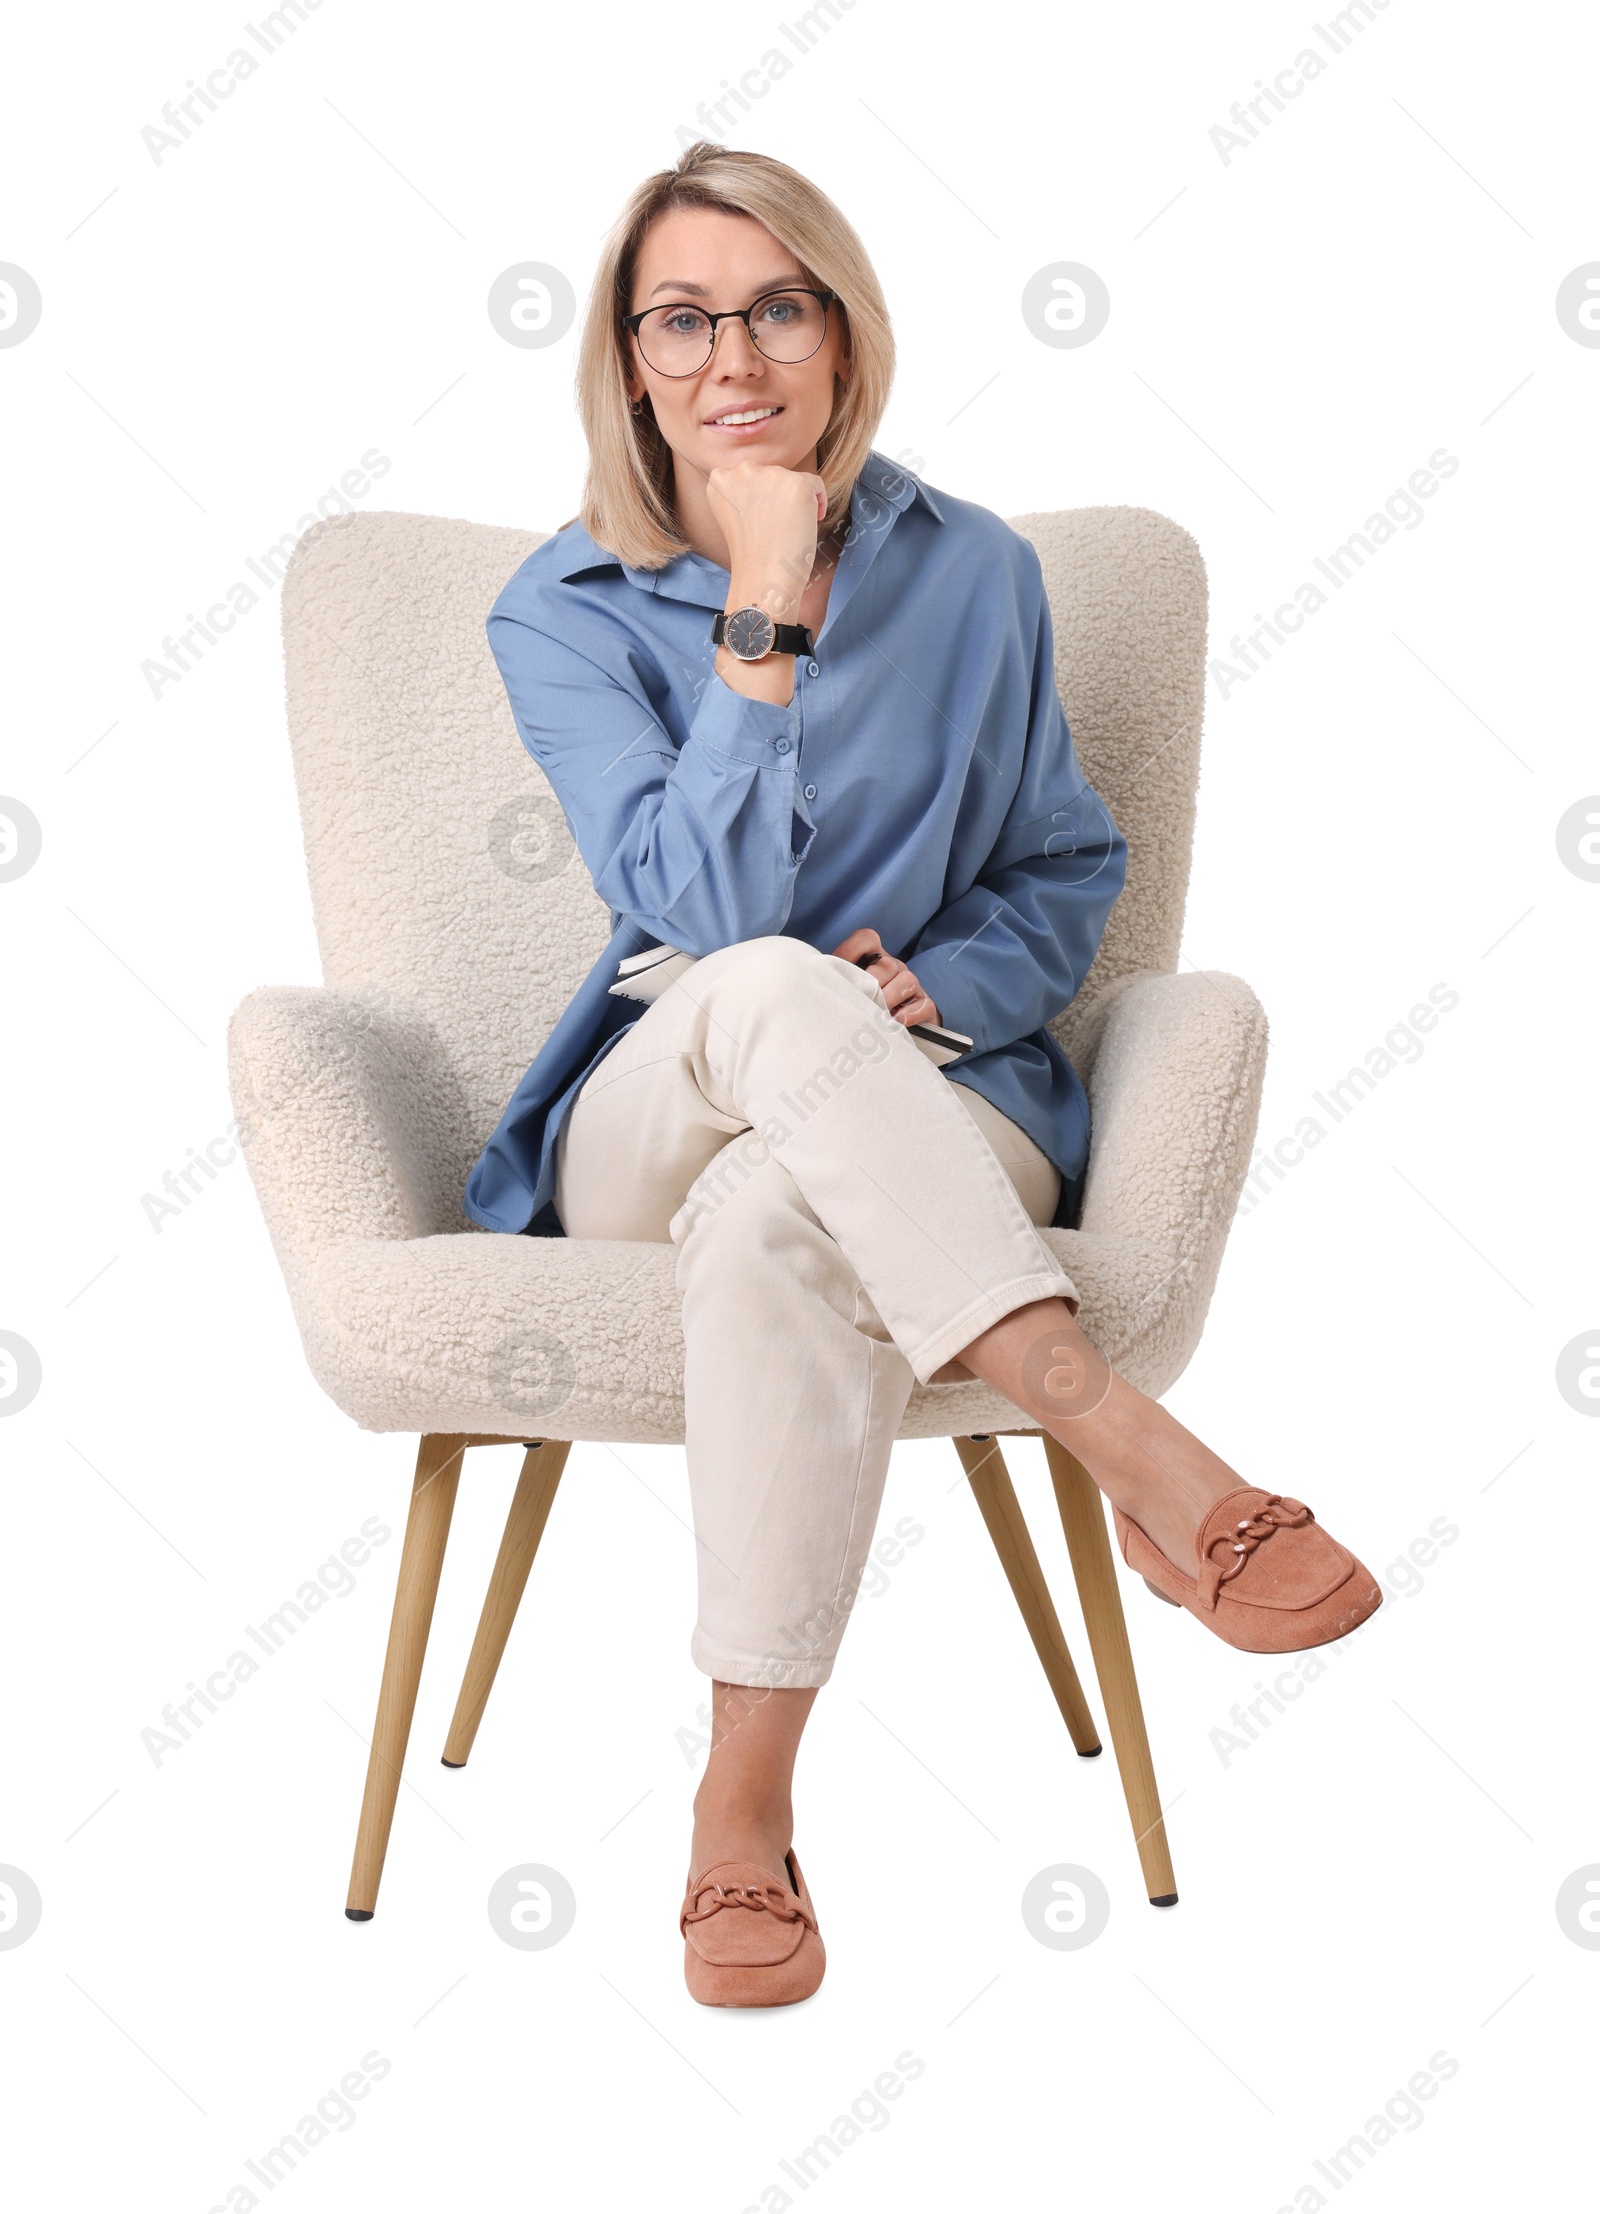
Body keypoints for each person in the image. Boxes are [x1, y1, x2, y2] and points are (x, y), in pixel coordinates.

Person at [464, 142, 1380, 2007]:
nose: (736, 354)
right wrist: (770, 604)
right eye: (683, 318)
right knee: (768, 984)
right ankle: (1120, 1435)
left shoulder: (979, 577)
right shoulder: (557, 608)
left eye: (779, 305)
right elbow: (706, 909)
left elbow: (1065, 869)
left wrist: (944, 986)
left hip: (930, 1095)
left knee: (782, 1220)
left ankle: (741, 1811)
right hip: (665, 1082)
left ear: (843, 327)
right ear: (630, 363)